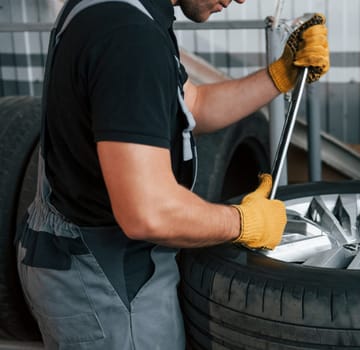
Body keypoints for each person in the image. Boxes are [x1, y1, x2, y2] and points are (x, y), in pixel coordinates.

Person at [15, 0, 329, 348]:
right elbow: (148, 213)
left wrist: (280, 75)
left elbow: (193, 105)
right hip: (109, 284)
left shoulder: (124, 10)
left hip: (76, 254)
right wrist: (243, 223)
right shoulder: (129, 37)